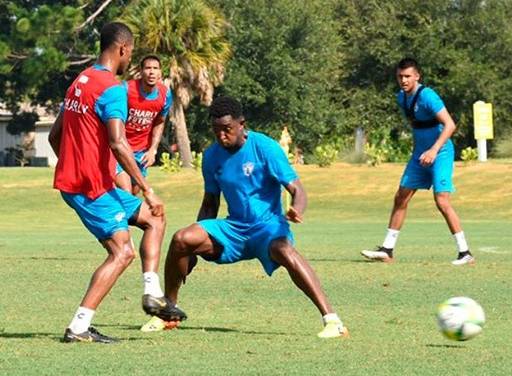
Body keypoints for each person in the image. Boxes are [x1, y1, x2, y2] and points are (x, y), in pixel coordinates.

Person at [153, 96, 348, 338]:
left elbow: (297, 189)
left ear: (241, 124)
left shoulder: (264, 147)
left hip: (268, 228)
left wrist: (297, 208)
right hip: (234, 230)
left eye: (227, 130)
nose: (222, 136)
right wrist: (193, 244)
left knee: (285, 250)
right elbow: (210, 202)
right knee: (182, 238)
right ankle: (169, 312)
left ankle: (333, 321)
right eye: (216, 131)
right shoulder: (212, 156)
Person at [48, 22, 170, 343]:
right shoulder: (112, 88)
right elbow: (119, 142)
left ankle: (152, 293)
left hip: (86, 182)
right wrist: (147, 188)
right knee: (122, 252)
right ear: (123, 50)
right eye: (131, 53)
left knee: (153, 218)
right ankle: (78, 327)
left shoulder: (80, 81)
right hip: (90, 188)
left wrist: (74, 163)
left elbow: (54, 135)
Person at [361, 58, 474, 266]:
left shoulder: (428, 96)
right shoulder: (401, 98)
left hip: (440, 152)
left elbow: (450, 125)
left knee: (441, 201)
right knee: (400, 197)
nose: (403, 80)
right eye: (399, 77)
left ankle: (465, 253)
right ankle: (387, 249)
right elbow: (417, 127)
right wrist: (419, 152)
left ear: (416, 76)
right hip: (420, 155)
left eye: (407, 76)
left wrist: (433, 150)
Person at [115, 55, 173, 195]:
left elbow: (160, 122)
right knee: (126, 191)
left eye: (155, 68)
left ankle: (121, 217)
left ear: (160, 72)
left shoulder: (165, 95)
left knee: (134, 194)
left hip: (141, 152)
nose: (151, 72)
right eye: (148, 68)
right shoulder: (126, 89)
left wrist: (153, 149)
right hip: (120, 149)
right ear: (141, 71)